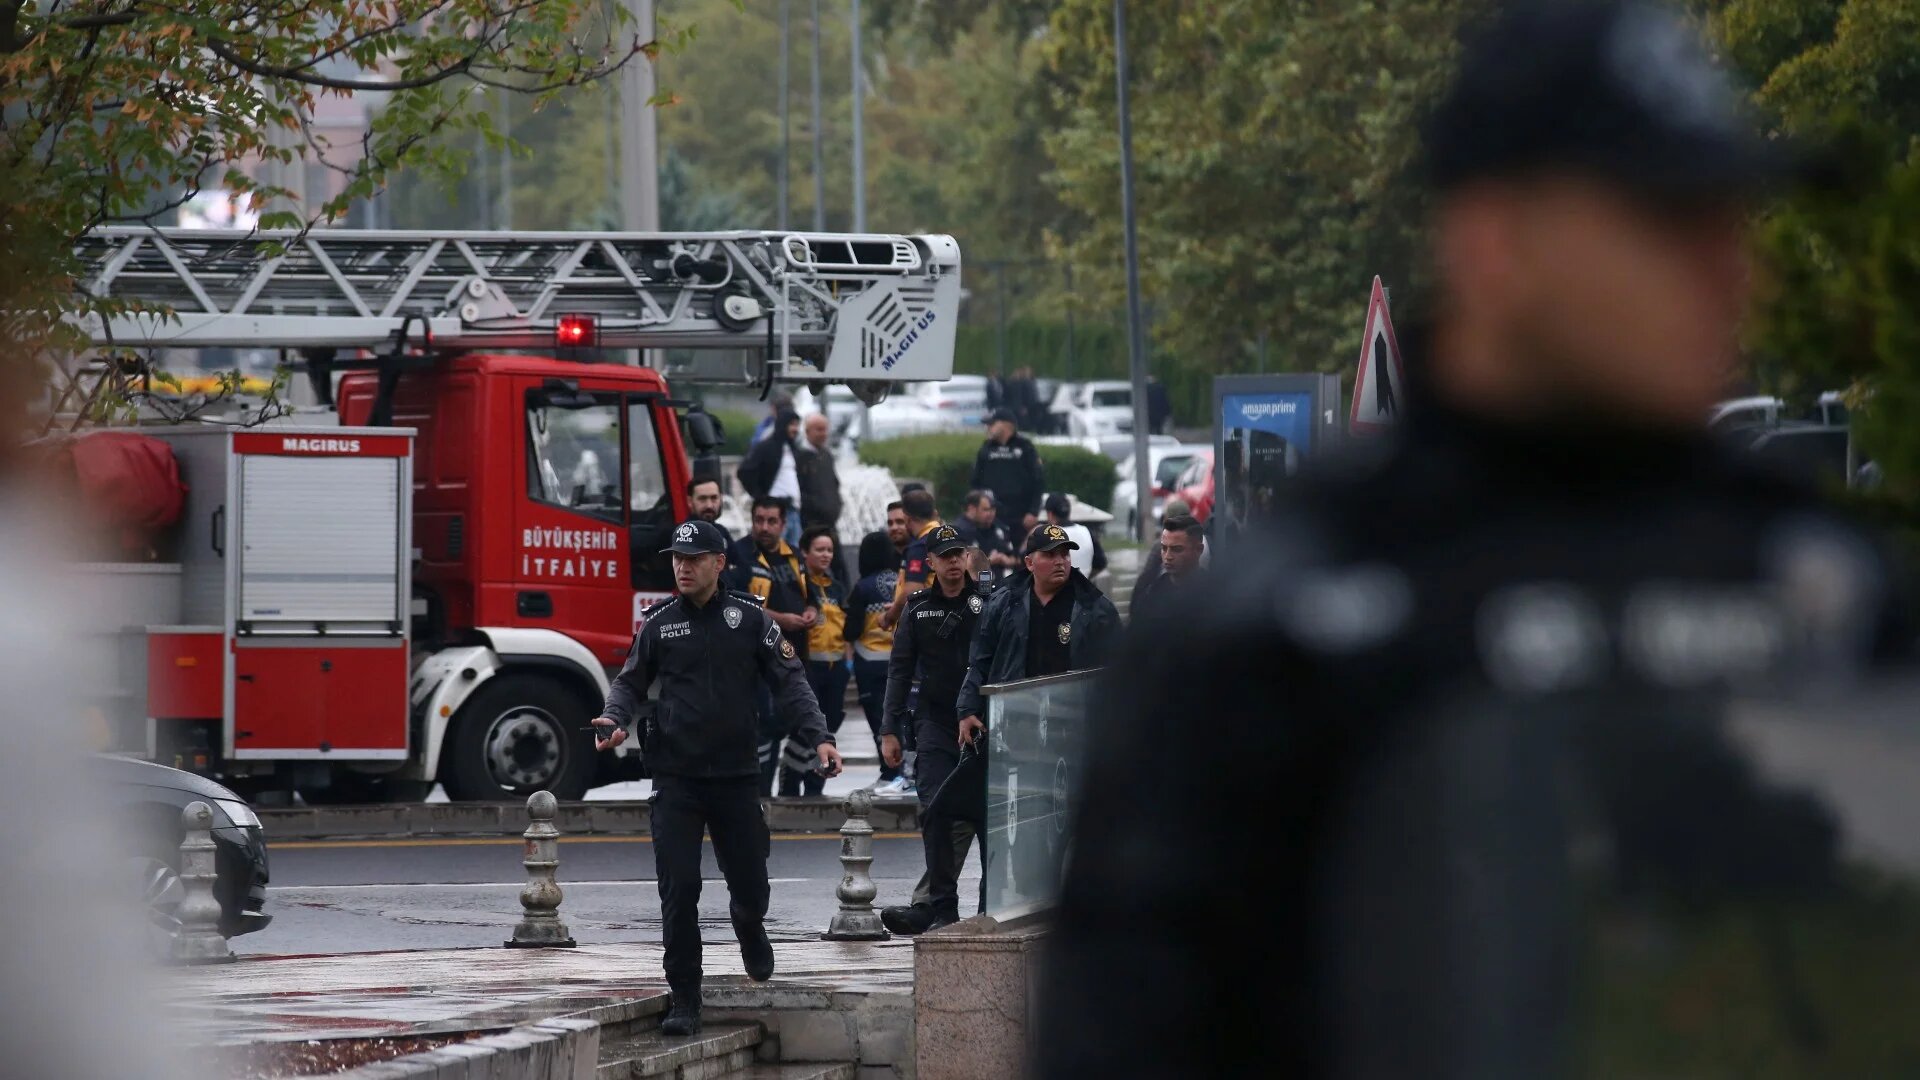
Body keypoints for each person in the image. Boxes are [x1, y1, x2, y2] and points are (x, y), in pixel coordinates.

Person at [1037, 2, 1912, 1074]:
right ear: (1497, 243)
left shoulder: (1827, 586)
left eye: (1728, 220)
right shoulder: (1280, 639)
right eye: (1665, 222)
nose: (1732, 272)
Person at [592, 519, 843, 1037]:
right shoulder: (659, 622)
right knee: (679, 889)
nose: (682, 567)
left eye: (694, 558)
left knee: (751, 885)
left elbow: (791, 681)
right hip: (676, 778)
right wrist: (614, 720)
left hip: (735, 777)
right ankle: (684, 994)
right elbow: (629, 682)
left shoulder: (750, 619)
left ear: (719, 563)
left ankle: (749, 927)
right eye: (677, 559)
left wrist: (820, 736)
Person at [877, 524, 990, 933]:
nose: (954, 562)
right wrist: (888, 730)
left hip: (984, 722)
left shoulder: (988, 602)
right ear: (931, 562)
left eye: (959, 554)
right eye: (945, 556)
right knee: (936, 810)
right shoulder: (917, 607)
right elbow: (899, 671)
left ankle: (990, 906)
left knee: (989, 816)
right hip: (935, 723)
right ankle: (942, 906)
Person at [954, 524, 1122, 745]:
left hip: (1075, 726)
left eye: (1064, 554)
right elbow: (980, 661)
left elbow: (1117, 671)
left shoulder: (1095, 608)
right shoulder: (1002, 602)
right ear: (1029, 563)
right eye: (1050, 555)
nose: (1060, 561)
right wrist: (967, 709)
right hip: (1015, 722)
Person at [730, 498, 813, 794]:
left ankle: (790, 788)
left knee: (789, 723)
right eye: (759, 520)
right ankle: (759, 792)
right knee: (762, 726)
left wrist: (810, 612)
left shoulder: (793, 556)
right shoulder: (740, 554)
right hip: (756, 660)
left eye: (771, 521)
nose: (764, 527)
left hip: (792, 658)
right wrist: (781, 620)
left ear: (783, 524)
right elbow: (736, 603)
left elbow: (810, 595)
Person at [781, 526, 849, 797]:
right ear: (805, 553)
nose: (826, 555)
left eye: (829, 550)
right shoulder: (799, 586)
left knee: (828, 727)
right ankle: (789, 779)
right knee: (805, 728)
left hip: (836, 669)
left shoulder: (837, 587)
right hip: (808, 667)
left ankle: (815, 784)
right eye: (819, 550)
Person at [847, 531, 906, 790]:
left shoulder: (863, 586)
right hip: (898, 661)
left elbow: (851, 630)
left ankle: (889, 772)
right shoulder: (901, 583)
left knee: (878, 720)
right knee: (899, 717)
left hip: (869, 662)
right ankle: (902, 771)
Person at [972, 408, 1045, 538]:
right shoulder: (986, 448)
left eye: (992, 424)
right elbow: (976, 481)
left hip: (1020, 516)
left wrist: (1033, 512)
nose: (987, 427)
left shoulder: (1025, 447)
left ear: (1007, 425)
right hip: (992, 516)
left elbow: (1038, 481)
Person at [738, 410, 804, 546]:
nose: (795, 429)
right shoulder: (767, 447)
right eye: (792, 424)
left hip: (793, 511)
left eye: (797, 425)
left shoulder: (792, 449)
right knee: (772, 550)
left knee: (793, 556)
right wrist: (760, 497)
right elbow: (745, 471)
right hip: (775, 511)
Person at [879, 487, 942, 631]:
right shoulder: (945, 537)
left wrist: (889, 617)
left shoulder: (920, 546)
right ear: (934, 513)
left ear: (907, 517)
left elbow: (912, 591)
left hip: (923, 626)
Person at [1128, 514, 1205, 623]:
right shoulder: (1151, 593)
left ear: (1198, 550)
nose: (1168, 556)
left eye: (1177, 549)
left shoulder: (1214, 594)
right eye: (1164, 548)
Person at [953, 489, 1018, 582]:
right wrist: (989, 560)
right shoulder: (959, 531)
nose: (991, 513)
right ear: (972, 508)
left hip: (1002, 587)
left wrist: (1005, 559)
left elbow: (1016, 558)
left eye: (993, 509)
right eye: (986, 509)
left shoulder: (999, 528)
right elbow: (958, 564)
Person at [1043, 492, 1106, 581]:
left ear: (1049, 514)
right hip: (1083, 590)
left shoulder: (1046, 534)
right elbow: (1101, 563)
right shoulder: (1087, 531)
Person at [797, 413, 842, 535]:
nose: (823, 434)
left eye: (825, 430)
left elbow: (834, 483)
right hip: (811, 523)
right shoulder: (800, 457)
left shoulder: (827, 456)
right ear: (807, 432)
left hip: (830, 522)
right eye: (819, 430)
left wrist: (837, 504)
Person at [686, 477, 729, 544]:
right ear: (690, 501)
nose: (709, 505)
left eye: (714, 498)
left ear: (721, 499)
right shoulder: (678, 535)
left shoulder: (723, 532)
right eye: (702, 499)